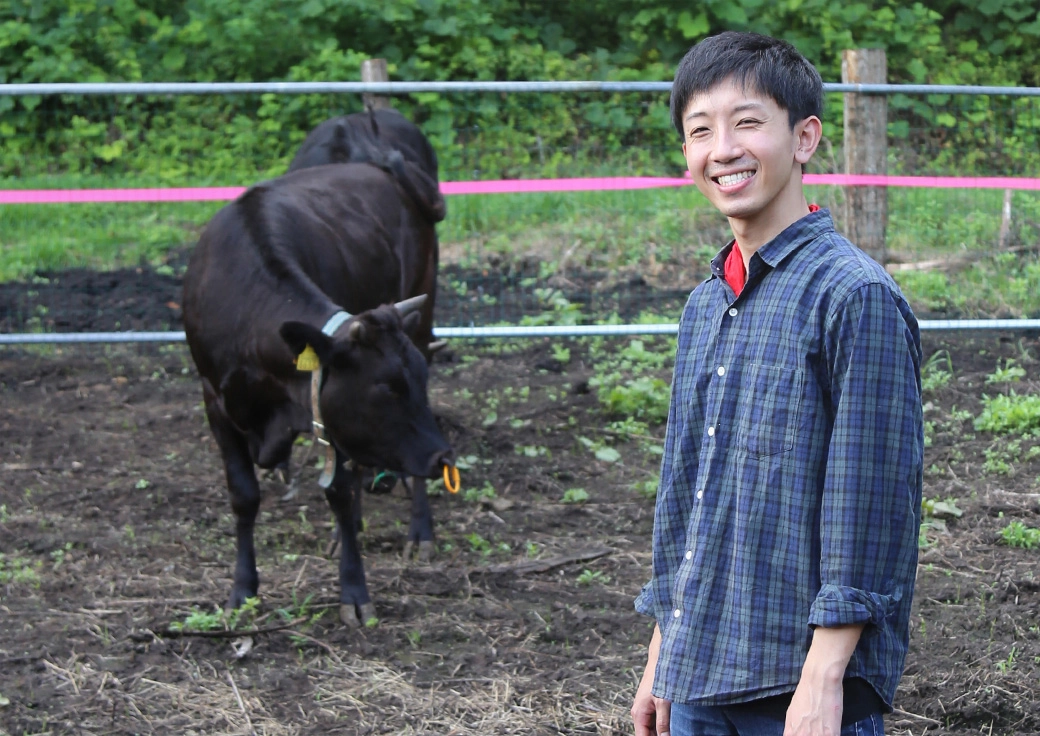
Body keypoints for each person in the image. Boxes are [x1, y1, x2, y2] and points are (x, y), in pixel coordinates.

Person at [631, 31, 923, 736]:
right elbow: (690, 493)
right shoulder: (706, 303)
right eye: (700, 130)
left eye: (747, 122)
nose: (723, 149)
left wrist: (823, 678)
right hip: (702, 672)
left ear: (805, 138)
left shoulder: (854, 296)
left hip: (798, 685)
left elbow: (870, 502)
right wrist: (663, 655)